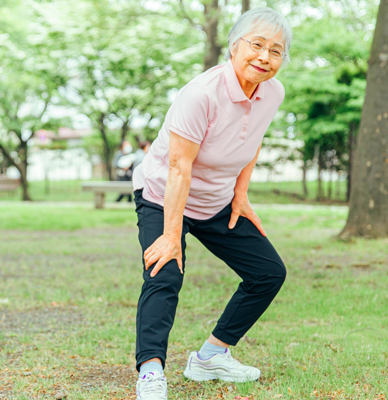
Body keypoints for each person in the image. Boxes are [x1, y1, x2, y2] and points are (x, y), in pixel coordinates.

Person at [131, 8, 292, 399]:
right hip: (163, 195)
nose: (265, 57)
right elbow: (178, 167)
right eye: (256, 45)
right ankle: (151, 372)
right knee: (164, 273)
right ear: (234, 46)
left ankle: (210, 356)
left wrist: (240, 196)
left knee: (268, 273)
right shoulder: (201, 94)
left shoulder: (273, 92)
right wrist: (172, 234)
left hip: (217, 200)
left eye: (276, 51)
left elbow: (250, 142)